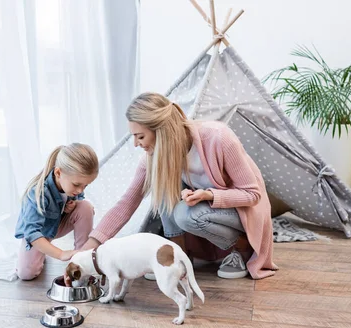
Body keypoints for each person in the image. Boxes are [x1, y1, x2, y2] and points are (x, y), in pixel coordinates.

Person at [68, 92, 277, 285]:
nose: (135, 144)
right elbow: (126, 203)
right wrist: (87, 250)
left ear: (161, 131)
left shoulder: (218, 137)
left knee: (185, 214)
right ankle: (179, 255)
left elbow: (252, 194)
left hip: (244, 211)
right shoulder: (152, 159)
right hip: (210, 211)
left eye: (140, 136)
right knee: (165, 186)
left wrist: (210, 194)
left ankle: (241, 248)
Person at [14, 143, 99, 280]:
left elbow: (79, 199)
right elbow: (31, 232)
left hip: (57, 225)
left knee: (86, 207)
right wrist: (60, 254)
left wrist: (72, 205)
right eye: (77, 185)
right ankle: (43, 251)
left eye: (85, 185)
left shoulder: (72, 184)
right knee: (26, 274)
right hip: (39, 234)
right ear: (58, 173)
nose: (80, 190)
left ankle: (82, 256)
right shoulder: (39, 193)